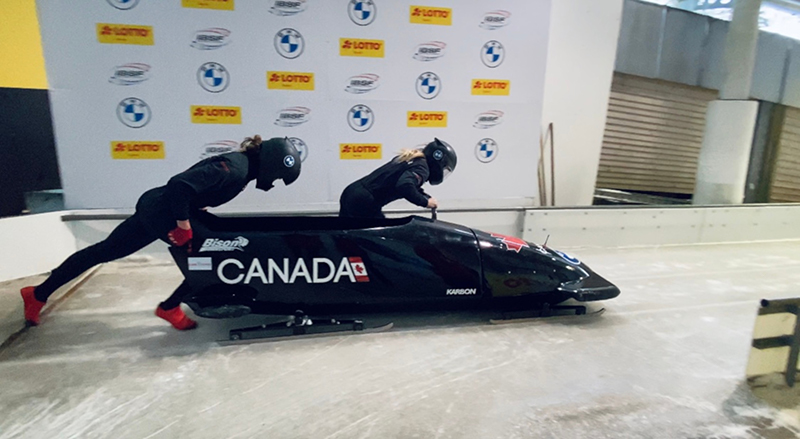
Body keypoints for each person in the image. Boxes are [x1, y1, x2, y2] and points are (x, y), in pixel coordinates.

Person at [20, 136, 301, 330]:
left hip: (157, 206)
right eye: (277, 176)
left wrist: (193, 212)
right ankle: (169, 307)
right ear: (271, 165)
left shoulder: (242, 169)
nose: (274, 182)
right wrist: (183, 225)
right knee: (212, 260)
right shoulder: (234, 171)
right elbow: (180, 185)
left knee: (106, 250)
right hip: (163, 211)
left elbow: (192, 189)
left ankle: (38, 294)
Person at [339, 138, 457, 219]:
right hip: (364, 202)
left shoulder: (415, 161)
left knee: (349, 242)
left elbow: (406, 182)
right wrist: (425, 202)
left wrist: (426, 197)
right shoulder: (423, 168)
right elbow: (405, 185)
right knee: (379, 244)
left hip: (352, 193)